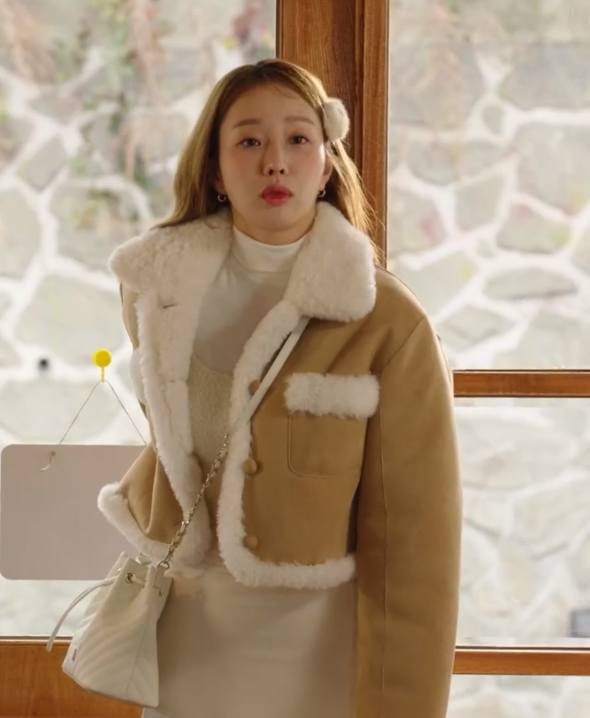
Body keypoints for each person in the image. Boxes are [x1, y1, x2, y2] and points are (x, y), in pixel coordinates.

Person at [97, 58, 462, 718]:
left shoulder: (386, 320)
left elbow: (418, 543)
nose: (275, 162)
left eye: (298, 139)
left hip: (315, 650)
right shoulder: (154, 291)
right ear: (214, 168)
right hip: (185, 634)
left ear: (326, 166)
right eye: (248, 141)